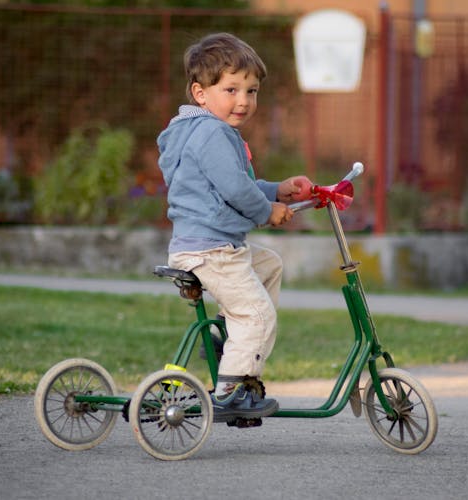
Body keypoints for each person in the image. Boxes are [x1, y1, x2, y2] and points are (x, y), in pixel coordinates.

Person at [157, 32, 313, 425]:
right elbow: (234, 189)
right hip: (211, 249)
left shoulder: (204, 130)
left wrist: (276, 191)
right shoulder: (211, 133)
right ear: (200, 92)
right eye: (231, 89)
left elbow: (233, 186)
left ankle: (228, 337)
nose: (243, 100)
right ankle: (231, 390)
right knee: (258, 315)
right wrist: (267, 212)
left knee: (269, 265)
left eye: (252, 90)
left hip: (208, 245)